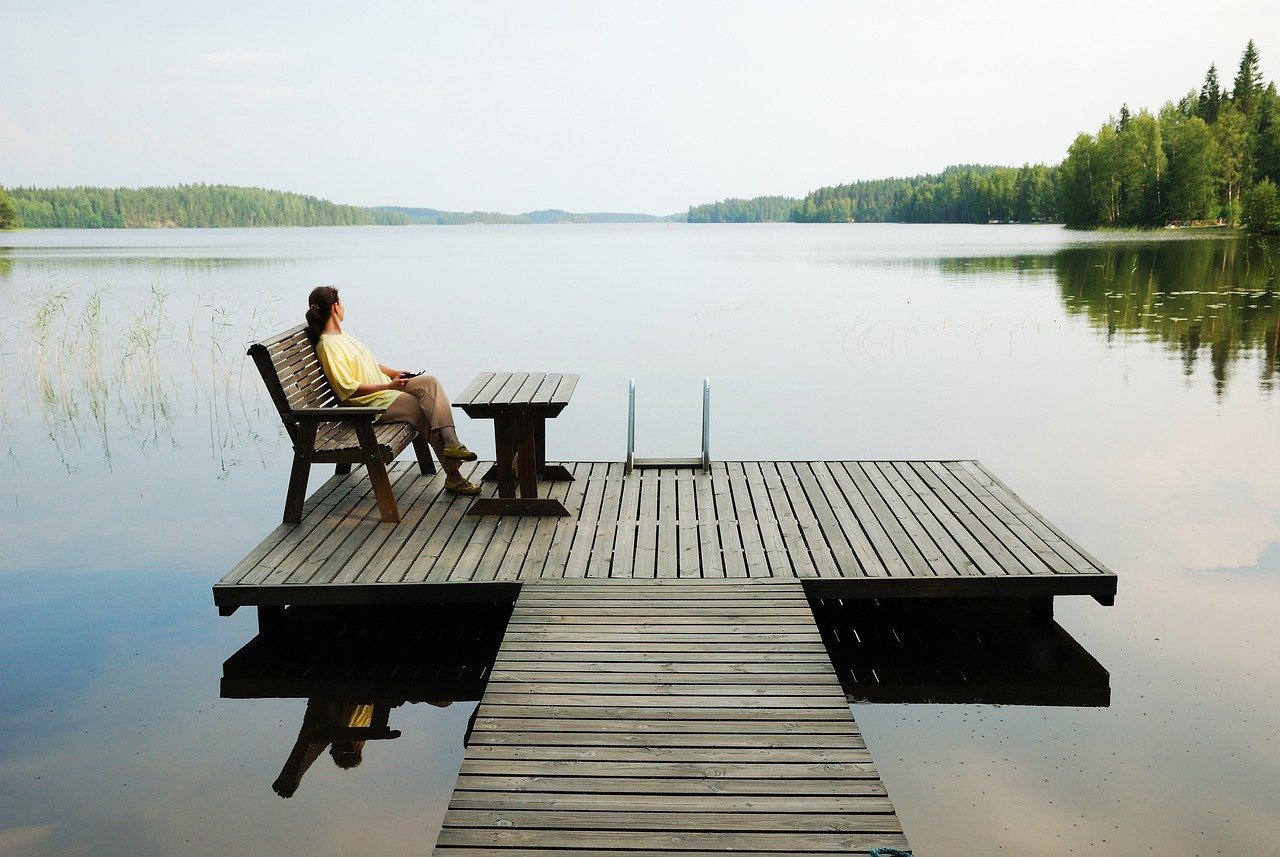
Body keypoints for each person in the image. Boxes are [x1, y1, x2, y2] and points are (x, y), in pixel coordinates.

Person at [305, 285, 481, 495]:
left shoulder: (343, 336)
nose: (344, 307)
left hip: (387, 390)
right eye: (341, 303)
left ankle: (452, 441)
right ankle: (454, 477)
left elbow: (371, 363)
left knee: (430, 383)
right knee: (420, 409)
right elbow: (348, 389)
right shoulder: (328, 346)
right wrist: (388, 386)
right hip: (370, 403)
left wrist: (394, 373)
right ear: (335, 307)